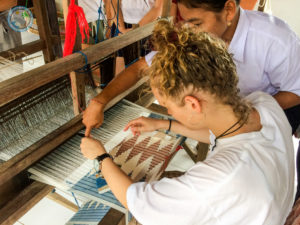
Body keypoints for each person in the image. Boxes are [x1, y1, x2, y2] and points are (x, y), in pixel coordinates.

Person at [81, 20, 295, 225]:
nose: (168, 111)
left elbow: (138, 202)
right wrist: (164, 125)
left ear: (193, 104)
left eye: (167, 106)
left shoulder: (218, 180)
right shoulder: (264, 105)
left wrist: (101, 157)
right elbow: (220, 135)